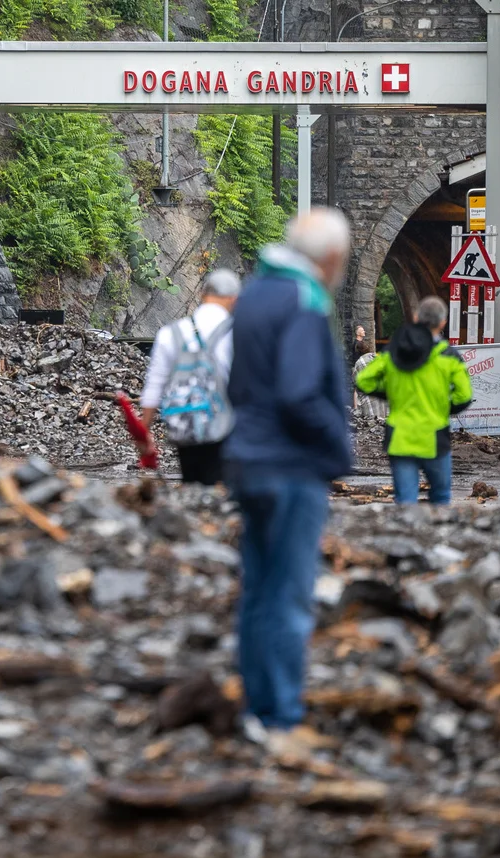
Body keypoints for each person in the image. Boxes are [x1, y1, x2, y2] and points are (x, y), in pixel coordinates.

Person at [223, 207, 353, 741]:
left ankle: (255, 705)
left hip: (247, 458)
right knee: (290, 591)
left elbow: (236, 384)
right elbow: (299, 392)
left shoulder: (255, 292)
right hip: (290, 464)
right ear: (330, 259)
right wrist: (337, 443)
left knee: (257, 587)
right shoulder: (304, 300)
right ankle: (281, 716)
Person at [355, 296, 472, 505]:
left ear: (417, 318)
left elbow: (364, 380)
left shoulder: (394, 352)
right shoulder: (449, 356)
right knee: (441, 497)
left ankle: (408, 535)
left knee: (405, 501)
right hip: (435, 437)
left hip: (400, 437)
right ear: (443, 322)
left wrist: (389, 393)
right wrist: (442, 406)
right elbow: (464, 396)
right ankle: (437, 537)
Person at [139, 268, 241, 484]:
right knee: (220, 492)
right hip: (224, 427)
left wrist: (144, 432)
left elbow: (154, 386)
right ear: (234, 299)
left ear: (202, 294)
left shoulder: (170, 333)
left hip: (183, 424)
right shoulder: (237, 333)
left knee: (191, 486)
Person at [351, 339, 388, 420]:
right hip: (383, 397)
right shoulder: (378, 357)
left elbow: (356, 383)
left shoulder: (358, 363)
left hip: (369, 400)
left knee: (372, 426)